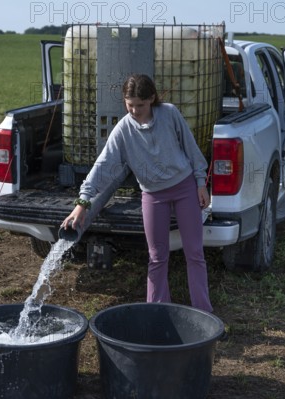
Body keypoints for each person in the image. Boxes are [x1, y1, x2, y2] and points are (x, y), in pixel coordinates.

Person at [61, 74, 213, 313]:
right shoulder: (123, 130)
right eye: (129, 105)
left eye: (139, 105)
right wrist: (82, 202)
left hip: (184, 188)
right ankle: (157, 313)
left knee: (194, 253)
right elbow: (102, 166)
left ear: (152, 98)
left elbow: (191, 149)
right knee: (156, 257)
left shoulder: (170, 114)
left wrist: (200, 182)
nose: (134, 110)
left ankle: (204, 313)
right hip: (153, 195)